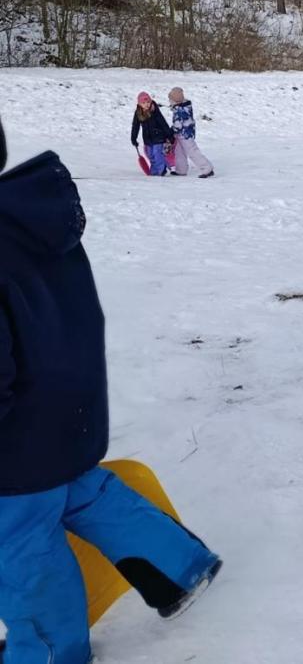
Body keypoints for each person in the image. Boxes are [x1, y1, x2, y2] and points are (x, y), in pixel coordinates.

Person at [0, 116, 222, 664]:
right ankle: (179, 566)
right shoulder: (24, 216)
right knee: (83, 490)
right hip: (68, 404)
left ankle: (50, 651)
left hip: (14, 437)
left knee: (20, 541)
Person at [167, 87, 215, 179]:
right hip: (181, 134)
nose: (170, 102)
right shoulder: (183, 106)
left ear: (176, 100)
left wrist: (171, 131)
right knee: (179, 151)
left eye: (170, 100)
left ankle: (207, 168)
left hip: (186, 135)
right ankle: (181, 170)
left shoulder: (180, 110)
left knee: (192, 151)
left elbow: (178, 125)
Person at [130, 92, 174, 176]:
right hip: (147, 138)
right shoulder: (138, 113)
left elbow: (163, 123)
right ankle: (154, 170)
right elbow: (135, 126)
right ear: (139, 104)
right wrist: (133, 138)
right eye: (143, 103)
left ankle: (161, 169)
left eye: (148, 102)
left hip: (158, 136)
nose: (146, 104)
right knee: (150, 155)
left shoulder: (155, 111)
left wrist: (169, 135)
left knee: (157, 153)